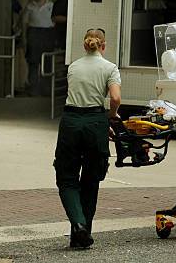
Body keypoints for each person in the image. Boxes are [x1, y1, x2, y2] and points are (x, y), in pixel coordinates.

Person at [53, 28, 121, 248]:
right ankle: (84, 232)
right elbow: (115, 97)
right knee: (91, 180)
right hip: (95, 122)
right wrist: (110, 116)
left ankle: (79, 226)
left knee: (67, 178)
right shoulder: (110, 68)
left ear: (85, 45)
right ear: (103, 45)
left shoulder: (73, 66)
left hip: (71, 122)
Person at [22, 0, 54, 95]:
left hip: (47, 35)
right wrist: (24, 39)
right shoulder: (30, 6)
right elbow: (24, 23)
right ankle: (33, 89)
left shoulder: (51, 5)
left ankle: (47, 90)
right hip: (33, 34)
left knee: (47, 64)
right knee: (33, 63)